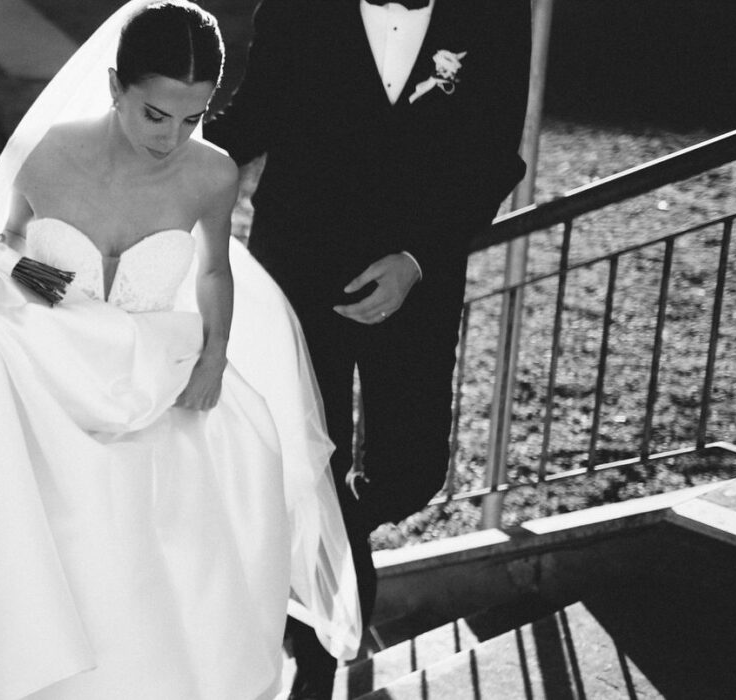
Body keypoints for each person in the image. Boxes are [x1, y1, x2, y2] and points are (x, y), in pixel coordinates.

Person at [0, 3, 360, 699]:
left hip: (155, 388)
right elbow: (19, 245)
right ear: (118, 87)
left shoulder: (209, 175)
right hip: (46, 380)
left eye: (192, 117)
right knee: (45, 549)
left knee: (150, 571)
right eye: (156, 114)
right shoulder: (52, 152)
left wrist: (213, 358)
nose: (173, 136)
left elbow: (212, 269)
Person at [204, 0, 531, 696]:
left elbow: (494, 154)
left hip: (417, 282)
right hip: (294, 273)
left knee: (413, 470)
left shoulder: (496, 14)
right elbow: (251, 118)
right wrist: (142, 156)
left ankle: (316, 540)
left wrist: (417, 258)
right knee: (308, 453)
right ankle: (319, 664)